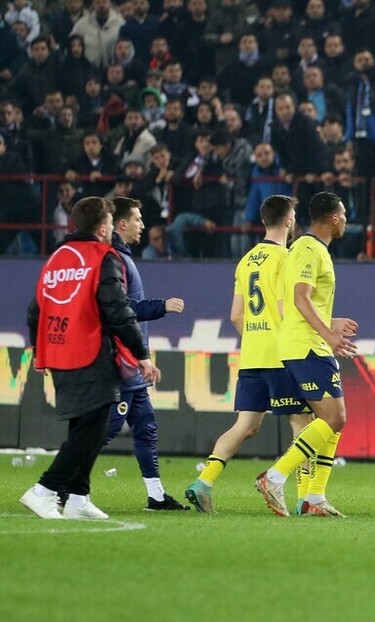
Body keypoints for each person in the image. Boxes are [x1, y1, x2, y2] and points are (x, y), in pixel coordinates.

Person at [21, 197, 159, 520]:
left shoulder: (57, 257)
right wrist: (141, 354)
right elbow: (118, 310)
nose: (113, 228)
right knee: (94, 430)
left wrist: (39, 351)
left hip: (57, 351)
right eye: (111, 222)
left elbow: (34, 311)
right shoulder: (103, 257)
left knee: (82, 425)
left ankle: (78, 498)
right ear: (102, 228)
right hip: (90, 351)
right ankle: (45, 489)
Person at [186, 195, 314, 513]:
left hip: (251, 355)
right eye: (294, 215)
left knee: (246, 426)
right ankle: (306, 498)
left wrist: (256, 338)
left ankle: (203, 482)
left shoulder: (247, 260)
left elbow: (235, 315)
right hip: (281, 356)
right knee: (304, 422)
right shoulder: (286, 259)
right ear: (287, 220)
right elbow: (287, 310)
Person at [255, 192, 359, 518]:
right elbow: (301, 297)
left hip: (309, 342)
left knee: (330, 422)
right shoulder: (309, 249)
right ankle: (274, 477)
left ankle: (313, 496)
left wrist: (330, 323)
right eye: (343, 213)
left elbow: (299, 301)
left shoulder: (307, 249)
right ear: (333, 218)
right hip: (307, 345)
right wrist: (327, 332)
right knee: (335, 417)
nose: (345, 219)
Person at [101, 196, 187, 510]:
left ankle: (156, 495)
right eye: (137, 219)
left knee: (146, 426)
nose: (142, 225)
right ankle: (59, 484)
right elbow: (122, 310)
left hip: (133, 365)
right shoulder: (114, 259)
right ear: (121, 224)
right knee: (105, 428)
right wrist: (162, 306)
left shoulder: (123, 257)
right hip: (121, 362)